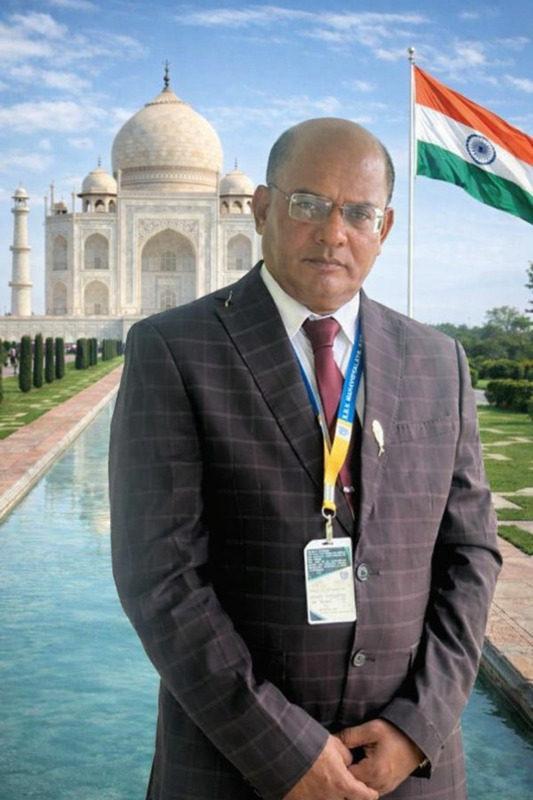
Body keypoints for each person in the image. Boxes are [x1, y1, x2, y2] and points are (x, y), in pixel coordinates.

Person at [109, 118, 501, 800]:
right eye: (307, 205)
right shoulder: (175, 349)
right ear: (260, 208)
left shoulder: (438, 360)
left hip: (407, 772)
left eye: (358, 213)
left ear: (384, 227)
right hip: (234, 766)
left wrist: (417, 726)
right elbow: (160, 577)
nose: (332, 232)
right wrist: (283, 751)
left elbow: (471, 556)